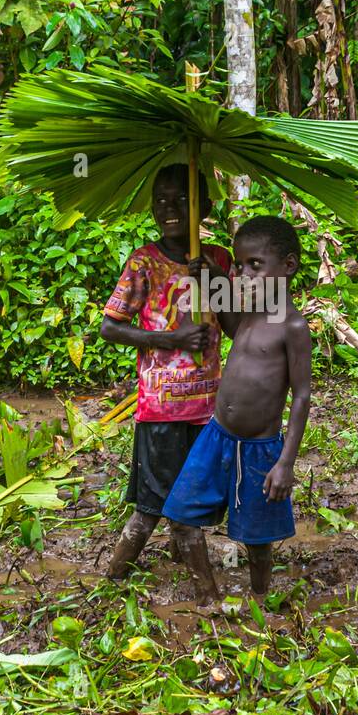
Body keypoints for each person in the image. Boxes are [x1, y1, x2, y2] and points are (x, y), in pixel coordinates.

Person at [162, 215, 311, 601]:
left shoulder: (291, 325)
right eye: (239, 265)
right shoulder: (252, 309)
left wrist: (286, 463)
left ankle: (260, 600)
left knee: (257, 539)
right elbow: (232, 328)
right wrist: (211, 281)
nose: (243, 274)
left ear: (289, 266)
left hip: (259, 449)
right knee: (180, 517)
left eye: (254, 265)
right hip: (218, 435)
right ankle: (209, 599)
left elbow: (302, 396)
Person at [101, 164, 234, 581]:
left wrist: (213, 280)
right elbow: (110, 327)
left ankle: (168, 565)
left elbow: (232, 324)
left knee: (190, 496)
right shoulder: (144, 263)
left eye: (181, 199)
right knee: (156, 505)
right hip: (161, 409)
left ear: (205, 207)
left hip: (207, 408)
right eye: (161, 201)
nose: (169, 208)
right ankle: (123, 578)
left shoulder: (217, 259)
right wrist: (170, 339)